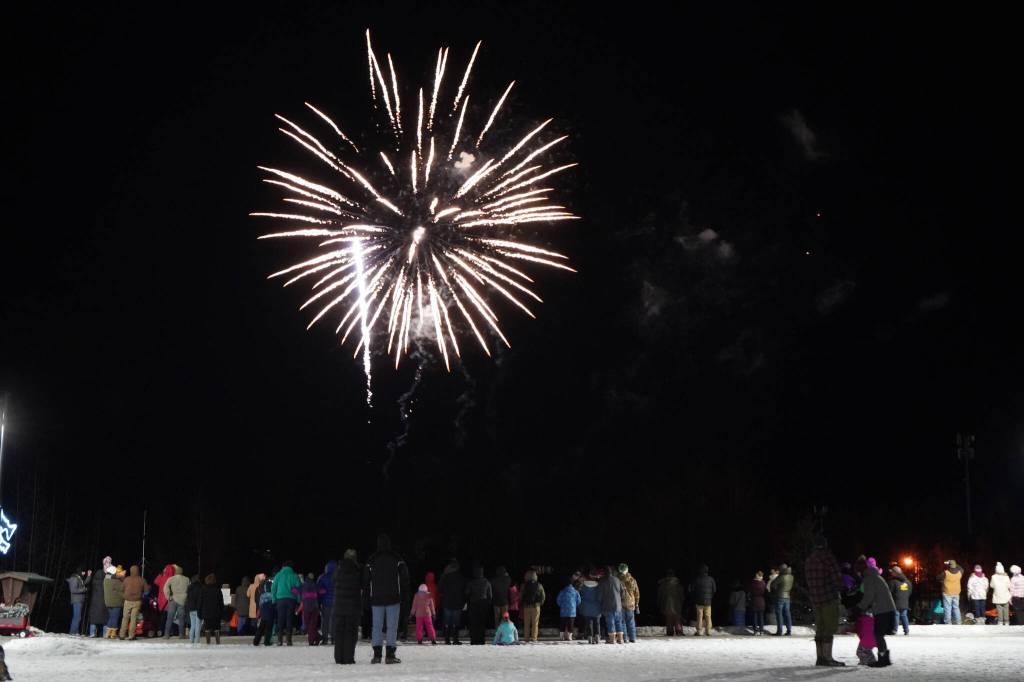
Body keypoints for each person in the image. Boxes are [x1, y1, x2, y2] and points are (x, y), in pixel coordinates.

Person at [363, 534, 409, 664]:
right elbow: (405, 578)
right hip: (393, 598)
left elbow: (365, 580)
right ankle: (390, 655)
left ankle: (377, 655)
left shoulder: (371, 560)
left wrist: (366, 598)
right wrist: (405, 596)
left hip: (376, 599)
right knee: (392, 627)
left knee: (376, 626)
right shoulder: (397, 558)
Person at [804, 536, 845, 667]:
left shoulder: (809, 559)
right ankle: (828, 658)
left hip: (815, 599)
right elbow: (836, 577)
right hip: (829, 598)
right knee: (829, 628)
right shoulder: (827, 558)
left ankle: (820, 657)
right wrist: (841, 588)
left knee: (820, 628)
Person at [858, 557, 896, 667]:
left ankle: (883, 660)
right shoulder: (875, 576)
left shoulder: (869, 578)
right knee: (879, 635)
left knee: (878, 634)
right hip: (887, 609)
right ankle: (884, 659)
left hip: (882, 610)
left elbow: (869, 596)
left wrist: (859, 607)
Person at [333, 548, 363, 664]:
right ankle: (348, 657)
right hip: (353, 606)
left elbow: (333, 580)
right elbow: (362, 584)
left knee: (339, 631)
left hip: (339, 606)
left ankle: (338, 657)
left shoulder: (338, 569)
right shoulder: (357, 569)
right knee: (350, 632)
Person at [272, 561, 302, 646]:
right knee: (289, 620)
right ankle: (289, 640)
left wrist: (274, 599)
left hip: (280, 599)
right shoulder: (294, 575)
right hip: (291, 600)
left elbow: (273, 588)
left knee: (280, 619)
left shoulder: (278, 575)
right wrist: (298, 600)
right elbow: (297, 589)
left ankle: (279, 640)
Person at [439, 559, 465, 645]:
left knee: (447, 621)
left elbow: (440, 589)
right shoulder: (460, 576)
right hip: (457, 602)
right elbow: (463, 590)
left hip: (447, 602)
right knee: (455, 622)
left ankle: (447, 639)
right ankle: (455, 639)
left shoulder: (444, 576)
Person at [465, 565, 493, 645]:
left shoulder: (471, 582)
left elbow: (466, 593)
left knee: (473, 623)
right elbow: (490, 595)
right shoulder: (487, 582)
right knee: (482, 623)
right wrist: (488, 604)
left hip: (473, 604)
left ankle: (474, 640)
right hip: (483, 605)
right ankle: (481, 640)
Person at [119, 565, 147, 640]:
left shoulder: (126, 579)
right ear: (138, 571)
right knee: (133, 619)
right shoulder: (142, 580)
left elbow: (121, 590)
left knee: (125, 618)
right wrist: (142, 595)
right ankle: (131, 635)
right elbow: (147, 592)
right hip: (137, 601)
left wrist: (124, 596)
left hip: (127, 601)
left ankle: (122, 635)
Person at [689, 564, 716, 637]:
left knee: (699, 616)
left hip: (699, 601)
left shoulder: (696, 579)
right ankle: (708, 631)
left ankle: (699, 631)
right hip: (708, 601)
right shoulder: (711, 579)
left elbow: (692, 590)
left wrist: (695, 597)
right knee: (708, 616)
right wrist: (710, 597)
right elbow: (714, 590)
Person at [162, 564, 189, 638]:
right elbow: (189, 589)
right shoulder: (186, 579)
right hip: (182, 600)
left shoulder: (171, 579)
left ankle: (166, 635)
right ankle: (181, 635)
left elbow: (165, 588)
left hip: (173, 599)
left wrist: (168, 597)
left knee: (170, 618)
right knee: (181, 619)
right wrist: (186, 597)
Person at [598, 566, 623, 643]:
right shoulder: (617, 580)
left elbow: (600, 595)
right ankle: (620, 639)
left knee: (610, 622)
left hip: (608, 606)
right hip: (618, 605)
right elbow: (622, 592)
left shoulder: (602, 581)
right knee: (618, 622)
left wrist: (600, 602)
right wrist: (619, 600)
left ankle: (612, 639)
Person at [521, 569, 547, 643]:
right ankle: (534, 638)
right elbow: (543, 596)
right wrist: (539, 603)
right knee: (535, 623)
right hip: (536, 607)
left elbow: (521, 596)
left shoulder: (523, 585)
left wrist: (523, 603)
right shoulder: (539, 585)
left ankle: (526, 638)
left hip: (526, 607)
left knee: (526, 623)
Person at [197, 573, 223, 644]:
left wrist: (199, 612)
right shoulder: (218, 590)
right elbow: (221, 603)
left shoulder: (203, 589)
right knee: (217, 628)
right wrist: (221, 612)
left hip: (206, 613)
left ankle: (208, 642)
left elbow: (200, 602)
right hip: (216, 612)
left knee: (207, 628)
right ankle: (218, 642)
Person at [301, 572, 325, 645]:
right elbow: (322, 591)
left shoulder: (303, 585)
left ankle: (314, 640)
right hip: (315, 607)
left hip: (307, 607)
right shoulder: (315, 585)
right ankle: (317, 638)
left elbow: (300, 595)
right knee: (312, 625)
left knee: (308, 625)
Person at [657, 569, 683, 636]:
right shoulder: (678, 584)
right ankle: (679, 631)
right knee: (677, 618)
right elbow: (682, 595)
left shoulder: (662, 585)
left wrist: (660, 604)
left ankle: (670, 631)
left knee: (669, 619)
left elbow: (659, 595)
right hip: (677, 605)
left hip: (666, 605)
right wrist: (681, 602)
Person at [579, 570, 602, 643]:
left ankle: (590, 638)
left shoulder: (583, 586)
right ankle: (597, 637)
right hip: (597, 607)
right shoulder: (598, 586)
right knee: (597, 623)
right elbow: (600, 597)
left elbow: (581, 597)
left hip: (587, 607)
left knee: (589, 623)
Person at [618, 564, 640, 643]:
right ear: (627, 570)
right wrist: (637, 604)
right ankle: (633, 638)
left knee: (622, 622)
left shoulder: (618, 580)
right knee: (631, 622)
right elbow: (637, 593)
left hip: (621, 604)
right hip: (631, 604)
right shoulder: (632, 580)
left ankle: (624, 638)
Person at [888, 566, 912, 635]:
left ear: (895, 573)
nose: (891, 573)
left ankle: (894, 630)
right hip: (905, 602)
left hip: (896, 602)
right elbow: (910, 591)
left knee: (896, 615)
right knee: (904, 615)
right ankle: (906, 630)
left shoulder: (893, 582)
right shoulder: (907, 582)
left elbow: (890, 592)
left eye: (892, 572)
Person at [556, 576, 582, 641]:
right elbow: (579, 601)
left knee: (563, 624)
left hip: (563, 611)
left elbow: (558, 600)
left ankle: (561, 637)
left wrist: (561, 606)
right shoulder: (575, 591)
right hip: (572, 611)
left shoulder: (562, 591)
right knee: (571, 625)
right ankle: (569, 637)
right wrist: (574, 606)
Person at [87, 561, 109, 637]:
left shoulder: (93, 582)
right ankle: (105, 634)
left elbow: (87, 584)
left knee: (93, 620)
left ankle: (92, 633)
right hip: (103, 603)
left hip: (94, 604)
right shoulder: (105, 582)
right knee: (105, 620)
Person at [317, 561, 337, 644]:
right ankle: (334, 638)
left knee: (325, 620)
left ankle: (325, 638)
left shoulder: (322, 577)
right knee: (334, 620)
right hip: (336, 602)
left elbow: (319, 590)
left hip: (325, 602)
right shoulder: (338, 577)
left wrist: (319, 601)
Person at [252, 574, 275, 647]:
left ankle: (256, 641)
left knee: (261, 626)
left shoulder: (262, 594)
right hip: (270, 609)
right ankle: (267, 641)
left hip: (263, 610)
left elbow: (259, 604)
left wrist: (259, 613)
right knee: (269, 627)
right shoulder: (272, 594)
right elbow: (274, 601)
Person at [938, 559, 963, 624]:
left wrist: (949, 563)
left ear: (949, 566)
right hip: (956, 592)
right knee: (956, 607)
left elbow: (938, 577)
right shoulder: (960, 572)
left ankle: (948, 622)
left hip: (947, 592)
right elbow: (960, 567)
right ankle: (958, 622)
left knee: (947, 608)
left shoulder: (945, 572)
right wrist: (953, 563)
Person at [103, 566, 125, 638]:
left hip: (108, 602)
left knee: (111, 617)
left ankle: (107, 633)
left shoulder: (105, 579)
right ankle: (113, 634)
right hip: (116, 602)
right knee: (115, 618)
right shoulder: (116, 581)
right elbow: (122, 588)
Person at [771, 564, 793, 635]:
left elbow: (773, 584)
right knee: (787, 614)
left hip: (780, 597)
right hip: (788, 597)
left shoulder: (781, 577)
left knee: (779, 614)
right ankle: (789, 630)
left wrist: (776, 589)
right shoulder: (791, 577)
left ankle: (779, 631)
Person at [154, 564, 175, 633]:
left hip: (162, 599)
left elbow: (156, 582)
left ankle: (160, 629)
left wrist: (160, 574)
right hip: (169, 599)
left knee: (163, 616)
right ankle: (169, 631)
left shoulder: (163, 577)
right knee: (170, 616)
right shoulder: (172, 578)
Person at [67, 567, 89, 635]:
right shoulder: (74, 578)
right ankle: (73, 632)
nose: (84, 573)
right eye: (83, 572)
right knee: (77, 617)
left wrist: (89, 576)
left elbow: (84, 583)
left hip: (80, 600)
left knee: (78, 617)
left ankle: (75, 631)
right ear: (79, 571)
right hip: (76, 600)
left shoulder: (79, 578)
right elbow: (73, 590)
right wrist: (84, 590)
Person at [185, 575, 202, 644]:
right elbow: (200, 600)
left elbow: (188, 599)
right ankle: (197, 641)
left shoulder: (189, 588)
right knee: (198, 625)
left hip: (191, 609)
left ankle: (191, 640)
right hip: (197, 609)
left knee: (192, 625)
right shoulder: (200, 588)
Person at [748, 571, 766, 635]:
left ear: (756, 575)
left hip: (754, 601)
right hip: (761, 601)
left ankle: (755, 631)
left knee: (754, 617)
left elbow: (750, 591)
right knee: (761, 617)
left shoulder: (753, 583)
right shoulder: (763, 583)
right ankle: (761, 631)